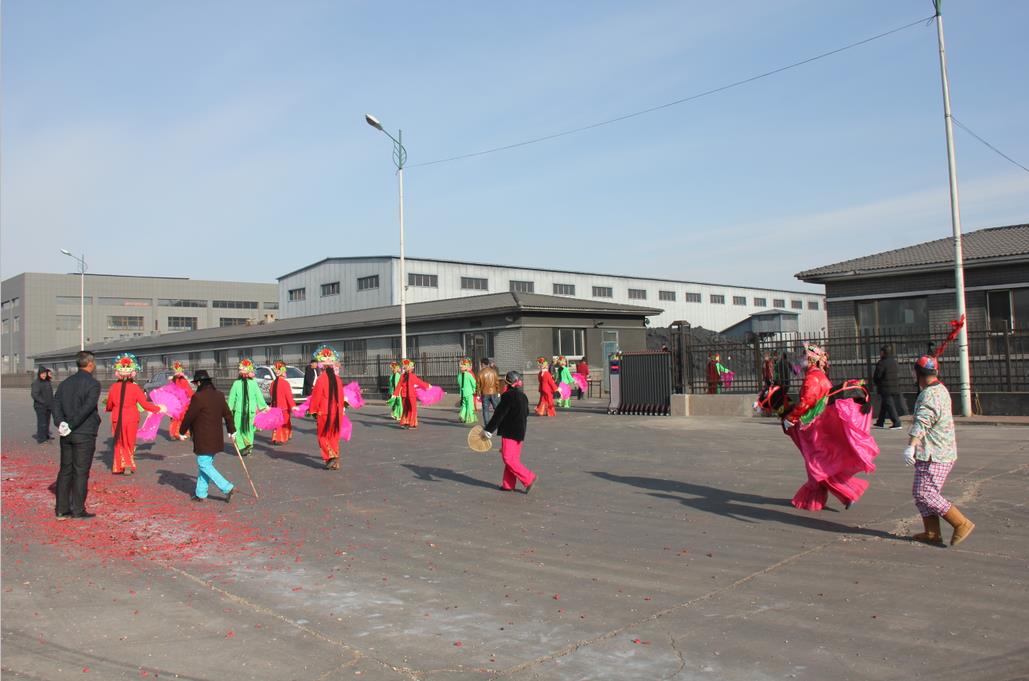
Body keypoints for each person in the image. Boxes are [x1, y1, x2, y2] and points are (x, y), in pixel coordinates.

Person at [783, 344, 878, 511]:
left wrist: (792, 417)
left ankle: (847, 493)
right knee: (818, 462)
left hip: (815, 428)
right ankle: (813, 500)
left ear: (812, 359)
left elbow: (808, 400)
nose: (801, 358)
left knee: (818, 464)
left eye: (804, 355)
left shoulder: (813, 377)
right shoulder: (819, 375)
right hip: (819, 424)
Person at [905, 355, 975, 546]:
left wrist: (911, 446)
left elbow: (923, 422)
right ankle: (932, 533)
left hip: (935, 454)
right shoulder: (939, 389)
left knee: (926, 493)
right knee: (919, 494)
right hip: (934, 451)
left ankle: (961, 523)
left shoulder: (930, 394)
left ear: (918, 374)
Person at [52, 351, 102, 519]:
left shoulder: (65, 383)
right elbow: (87, 408)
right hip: (84, 432)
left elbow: (56, 404)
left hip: (66, 433)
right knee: (80, 471)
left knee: (65, 470)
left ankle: (62, 509)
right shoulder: (93, 384)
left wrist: (61, 423)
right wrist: (71, 425)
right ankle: (78, 509)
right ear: (90, 364)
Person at [179, 369, 236, 502]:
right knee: (205, 465)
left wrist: (181, 431)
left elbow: (189, 416)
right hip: (216, 437)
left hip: (204, 437)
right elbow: (227, 414)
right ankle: (201, 493)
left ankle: (227, 487)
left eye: (196, 383)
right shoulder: (219, 395)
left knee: (203, 464)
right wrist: (231, 430)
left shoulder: (198, 397)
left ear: (199, 383)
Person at [104, 353, 165, 475]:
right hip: (131, 418)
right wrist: (158, 408)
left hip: (117, 418)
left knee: (119, 442)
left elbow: (109, 405)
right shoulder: (135, 388)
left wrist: (110, 407)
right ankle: (128, 464)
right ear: (133, 373)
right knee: (129, 442)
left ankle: (119, 466)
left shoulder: (113, 387)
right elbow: (145, 404)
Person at [484, 370, 537, 493]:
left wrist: (489, 430)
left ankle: (529, 478)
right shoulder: (523, 396)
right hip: (520, 431)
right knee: (513, 458)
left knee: (508, 458)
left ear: (507, 383)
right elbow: (526, 413)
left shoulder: (507, 396)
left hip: (509, 431)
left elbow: (499, 415)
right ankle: (508, 484)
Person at [307, 345, 348, 469]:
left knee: (323, 436)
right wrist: (342, 410)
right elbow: (341, 396)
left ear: (322, 365)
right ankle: (335, 461)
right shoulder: (338, 379)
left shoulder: (321, 379)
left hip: (324, 412)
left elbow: (316, 397)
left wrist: (312, 410)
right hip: (337, 412)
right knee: (334, 436)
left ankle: (331, 457)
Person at [227, 358, 268, 455]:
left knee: (248, 430)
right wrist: (228, 410)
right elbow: (232, 399)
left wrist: (264, 407)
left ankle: (247, 447)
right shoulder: (237, 384)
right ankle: (243, 447)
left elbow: (258, 396)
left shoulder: (252, 383)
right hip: (240, 412)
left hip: (249, 412)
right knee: (239, 429)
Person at [872, 345, 904, 430]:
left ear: (883, 352)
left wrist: (876, 382)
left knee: (889, 405)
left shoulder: (882, 362)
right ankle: (880, 422)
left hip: (885, 387)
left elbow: (877, 375)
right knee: (885, 404)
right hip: (894, 386)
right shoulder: (894, 362)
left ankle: (897, 423)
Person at [393, 358, 430, 429]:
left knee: (409, 409)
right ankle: (409, 423)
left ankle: (408, 423)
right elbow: (399, 385)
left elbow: (419, 382)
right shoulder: (406, 376)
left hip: (408, 395)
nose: (412, 368)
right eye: (411, 366)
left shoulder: (407, 376)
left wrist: (395, 394)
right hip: (408, 395)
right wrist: (395, 394)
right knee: (410, 409)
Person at [269, 360, 297, 445]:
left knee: (277, 423)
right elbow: (289, 397)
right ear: (283, 372)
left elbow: (271, 394)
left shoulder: (273, 383)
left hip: (275, 406)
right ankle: (280, 438)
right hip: (284, 407)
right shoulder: (285, 383)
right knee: (283, 423)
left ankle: (276, 437)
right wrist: (293, 406)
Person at [168, 361, 194, 440]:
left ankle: (174, 433)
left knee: (175, 418)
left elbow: (170, 391)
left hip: (174, 402)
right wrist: (192, 397)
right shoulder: (182, 380)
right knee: (182, 417)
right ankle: (181, 432)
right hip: (182, 402)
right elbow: (188, 391)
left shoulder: (172, 381)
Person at [31, 366, 54, 444]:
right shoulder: (36, 383)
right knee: (42, 422)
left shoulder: (47, 382)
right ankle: (41, 439)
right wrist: (43, 402)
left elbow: (50, 394)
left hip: (49, 406)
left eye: (45, 373)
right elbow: (34, 395)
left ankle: (46, 435)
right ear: (39, 374)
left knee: (47, 422)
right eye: (42, 374)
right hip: (40, 406)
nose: (44, 375)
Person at [477, 358, 500, 426]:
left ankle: (487, 425)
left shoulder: (480, 373)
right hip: (493, 392)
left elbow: (478, 385)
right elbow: (497, 382)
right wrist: (498, 391)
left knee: (485, 410)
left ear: (482, 364)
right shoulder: (493, 372)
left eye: (481, 364)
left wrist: (478, 394)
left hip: (484, 393)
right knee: (497, 408)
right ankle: (500, 421)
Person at [457, 357, 478, 425]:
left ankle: (462, 415)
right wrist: (474, 389)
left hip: (462, 393)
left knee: (464, 405)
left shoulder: (459, 375)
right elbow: (474, 383)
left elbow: (459, 383)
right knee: (470, 406)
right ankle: (469, 418)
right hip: (469, 392)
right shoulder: (469, 375)